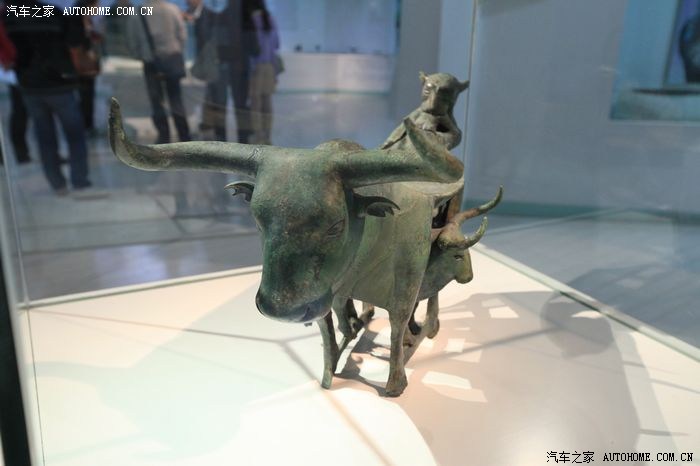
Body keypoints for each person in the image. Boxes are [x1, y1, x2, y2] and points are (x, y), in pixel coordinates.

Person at [5, 0, 92, 193]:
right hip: (59, 83)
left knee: (44, 136)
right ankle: (79, 180)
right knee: (75, 134)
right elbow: (74, 43)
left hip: (29, 84)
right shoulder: (52, 12)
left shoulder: (10, 15)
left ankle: (57, 183)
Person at [127, 0, 191, 143]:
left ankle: (164, 135)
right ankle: (184, 134)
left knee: (157, 101)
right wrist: (177, 51)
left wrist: (141, 55)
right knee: (176, 99)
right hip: (172, 58)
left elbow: (132, 40)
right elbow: (182, 34)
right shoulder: (173, 9)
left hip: (151, 62)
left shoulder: (137, 13)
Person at [197, 0, 258, 142]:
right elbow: (252, 39)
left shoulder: (212, 8)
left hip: (225, 62)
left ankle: (226, 140)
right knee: (236, 104)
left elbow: (203, 36)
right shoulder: (238, 7)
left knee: (223, 105)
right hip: (234, 63)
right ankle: (241, 140)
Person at [0, 16, 30, 164]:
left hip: (24, 63)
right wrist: (5, 58)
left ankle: (22, 153)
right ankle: (20, 153)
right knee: (20, 109)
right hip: (14, 65)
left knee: (22, 109)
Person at [248, 0, 278, 145]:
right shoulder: (270, 19)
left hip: (256, 67)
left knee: (256, 104)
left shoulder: (252, 20)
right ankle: (268, 136)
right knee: (267, 103)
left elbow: (251, 48)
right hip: (270, 66)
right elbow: (277, 44)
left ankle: (258, 136)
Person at [74, 0, 103, 135]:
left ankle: (87, 125)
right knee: (84, 96)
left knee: (87, 96)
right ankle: (85, 126)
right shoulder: (79, 22)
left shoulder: (88, 21)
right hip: (82, 65)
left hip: (88, 65)